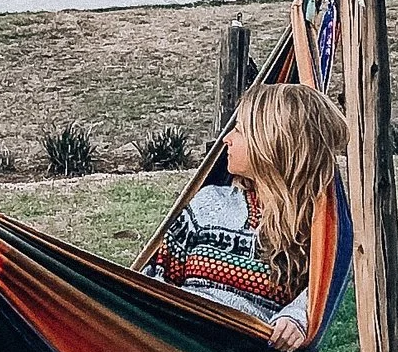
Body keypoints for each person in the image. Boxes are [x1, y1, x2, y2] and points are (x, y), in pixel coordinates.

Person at [147, 79, 348, 327]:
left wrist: (295, 318)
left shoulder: (317, 228)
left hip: (246, 344)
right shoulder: (208, 205)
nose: (226, 138)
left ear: (271, 143)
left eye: (240, 130)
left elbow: (324, 290)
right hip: (179, 333)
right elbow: (158, 278)